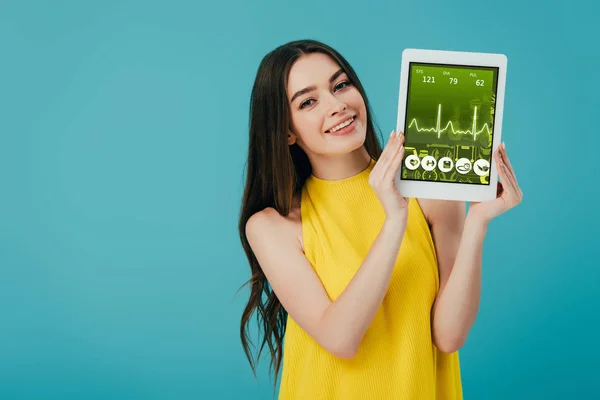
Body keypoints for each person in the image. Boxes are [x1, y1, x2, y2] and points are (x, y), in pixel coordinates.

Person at [237, 39, 523, 400]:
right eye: (308, 101)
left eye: (341, 85)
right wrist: (393, 220)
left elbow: (449, 336)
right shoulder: (272, 226)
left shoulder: (431, 191)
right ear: (286, 131)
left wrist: (478, 222)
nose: (338, 105)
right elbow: (340, 339)